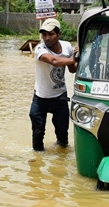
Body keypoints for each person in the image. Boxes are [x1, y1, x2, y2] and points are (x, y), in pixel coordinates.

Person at [30, 18, 79, 151]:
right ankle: (36, 164)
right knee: (38, 135)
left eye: (51, 34)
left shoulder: (67, 46)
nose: (47, 38)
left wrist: (77, 58)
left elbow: (72, 69)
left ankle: (61, 159)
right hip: (41, 98)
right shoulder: (40, 48)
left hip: (60, 96)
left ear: (59, 34)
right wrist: (73, 59)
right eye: (44, 34)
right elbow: (54, 61)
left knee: (63, 135)